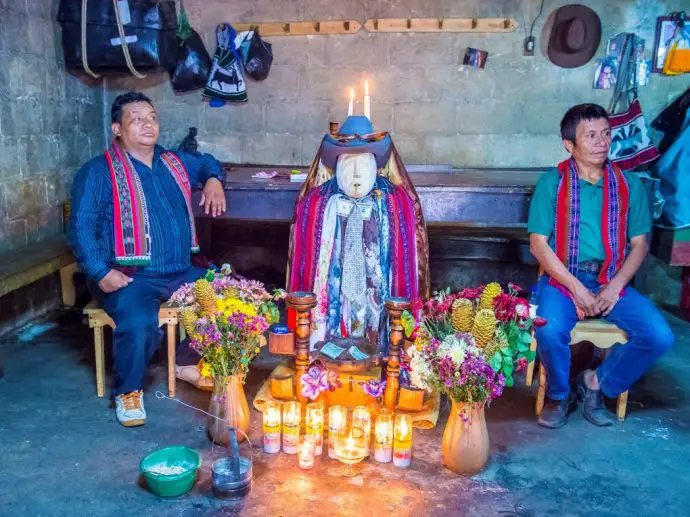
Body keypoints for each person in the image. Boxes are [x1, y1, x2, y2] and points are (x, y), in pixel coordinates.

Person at [69, 92, 227, 427]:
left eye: (152, 117)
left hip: (179, 270)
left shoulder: (175, 162)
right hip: (128, 276)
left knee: (226, 295)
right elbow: (81, 227)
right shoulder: (98, 171)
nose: (147, 123)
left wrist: (214, 180)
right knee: (139, 322)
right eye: (136, 117)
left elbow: (208, 162)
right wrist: (99, 271)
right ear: (117, 128)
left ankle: (185, 363)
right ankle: (128, 391)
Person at [528, 103, 674, 429]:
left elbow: (639, 245)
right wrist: (576, 288)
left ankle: (596, 384)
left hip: (611, 279)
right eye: (590, 135)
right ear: (569, 144)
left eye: (606, 133)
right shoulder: (552, 183)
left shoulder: (628, 185)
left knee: (659, 336)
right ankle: (558, 394)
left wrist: (617, 285)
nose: (602, 142)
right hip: (564, 279)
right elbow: (538, 244)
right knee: (549, 328)